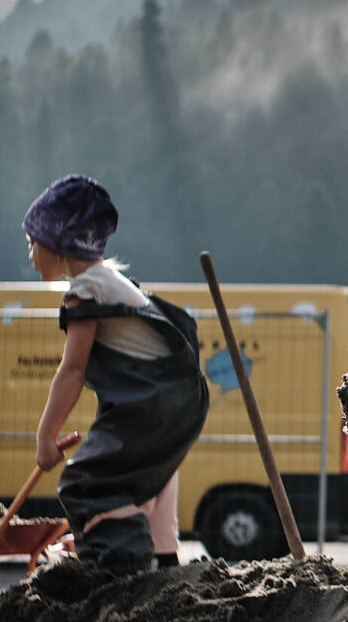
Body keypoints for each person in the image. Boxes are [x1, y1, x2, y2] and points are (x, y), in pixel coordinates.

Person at [24, 174, 210, 574]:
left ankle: (122, 566)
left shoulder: (87, 289)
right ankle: (162, 560)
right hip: (178, 399)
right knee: (148, 476)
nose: (30, 254)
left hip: (153, 399)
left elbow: (72, 370)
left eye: (32, 242)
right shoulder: (114, 282)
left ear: (58, 241)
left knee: (86, 483)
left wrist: (45, 434)